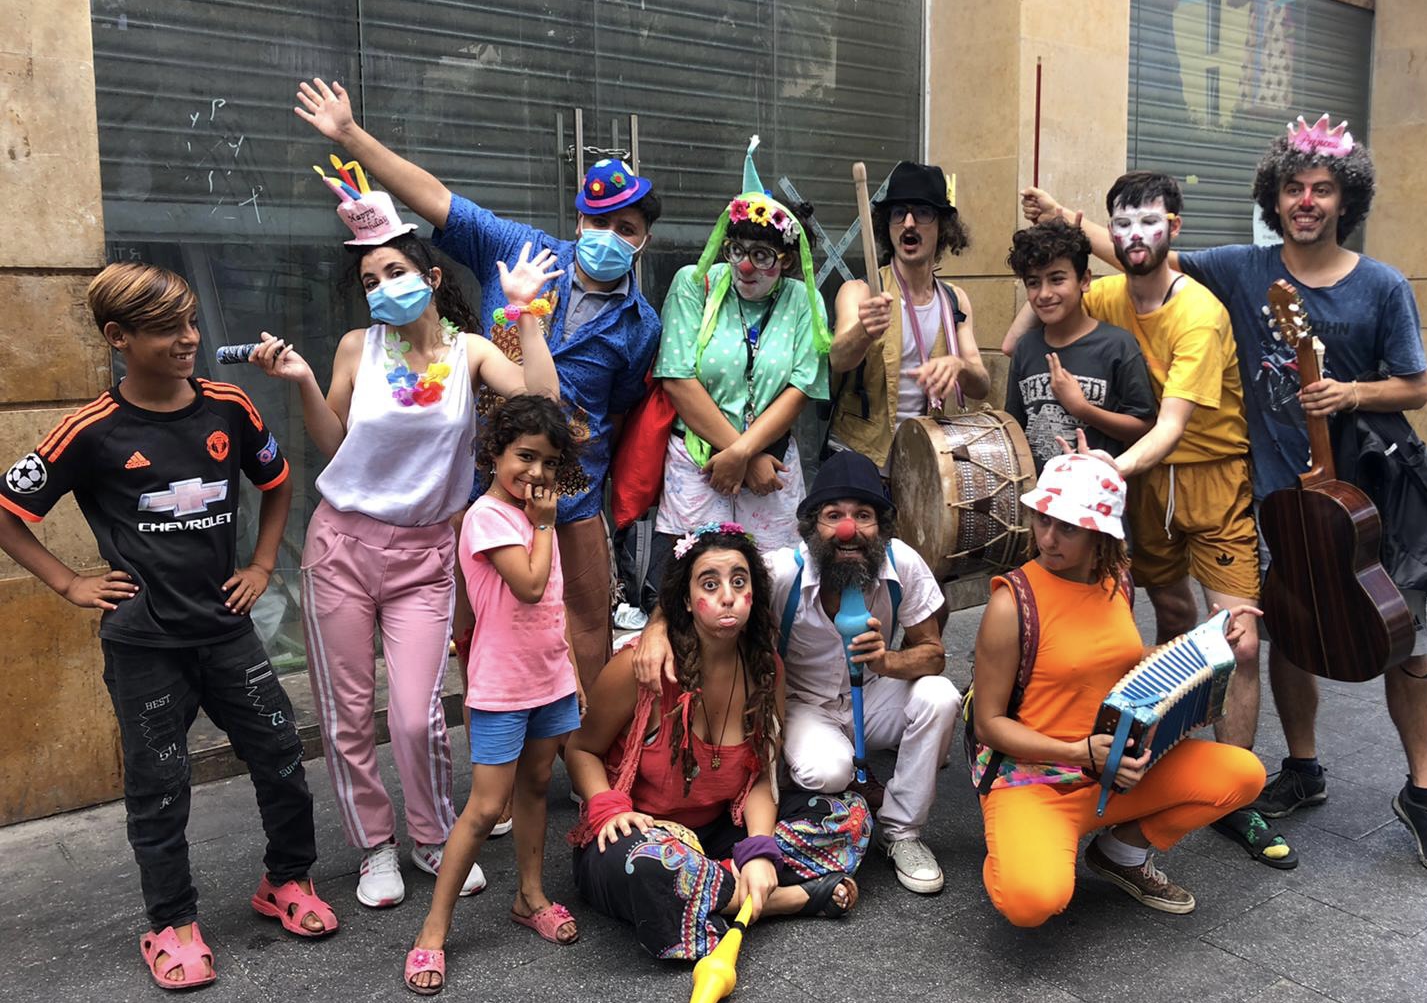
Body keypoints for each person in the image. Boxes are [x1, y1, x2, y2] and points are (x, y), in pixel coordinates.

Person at [1026, 116, 1427, 876]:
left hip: (1370, 490)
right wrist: (1064, 221)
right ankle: (1298, 765)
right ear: (1274, 198)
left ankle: (1425, 794)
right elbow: (1138, 249)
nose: (1306, 201)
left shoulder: (1382, 284)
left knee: (1405, 644)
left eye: (1321, 189)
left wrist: (1350, 392)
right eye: (1293, 188)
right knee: (1287, 630)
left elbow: (1418, 386)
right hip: (1272, 495)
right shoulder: (1238, 268)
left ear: (1343, 198)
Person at [0, 262, 336, 990]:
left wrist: (262, 563)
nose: (188, 338)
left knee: (280, 751)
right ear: (119, 337)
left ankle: (288, 879)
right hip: (144, 644)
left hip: (226, 631)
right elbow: (8, 511)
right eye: (165, 329)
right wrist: (68, 581)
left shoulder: (228, 406)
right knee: (161, 786)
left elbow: (276, 484)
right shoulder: (88, 430)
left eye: (189, 322)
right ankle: (172, 923)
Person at [248, 182, 560, 908]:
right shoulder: (358, 346)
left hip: (424, 555)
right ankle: (374, 847)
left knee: (416, 711)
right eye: (368, 280)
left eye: (393, 272)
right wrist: (298, 383)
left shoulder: (471, 350)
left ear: (431, 275)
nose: (381, 288)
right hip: (343, 548)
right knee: (347, 710)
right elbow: (333, 446)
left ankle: (430, 833)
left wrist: (527, 316)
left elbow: (540, 407)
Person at [294, 77, 662, 691]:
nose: (610, 239)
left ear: (643, 240)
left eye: (626, 229)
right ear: (579, 220)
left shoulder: (641, 324)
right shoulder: (517, 248)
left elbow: (618, 414)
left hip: (571, 489)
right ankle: (495, 738)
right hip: (479, 484)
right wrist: (350, 136)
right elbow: (435, 199)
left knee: (585, 620)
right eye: (600, 223)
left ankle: (581, 757)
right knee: (475, 617)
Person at [1012, 171, 1275, 865]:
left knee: (1240, 639)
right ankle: (1163, 756)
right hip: (1145, 491)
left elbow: (1168, 424)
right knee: (1168, 618)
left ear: (1174, 228)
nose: (1134, 238)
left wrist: (1101, 470)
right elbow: (1049, 296)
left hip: (1208, 476)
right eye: (1121, 226)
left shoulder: (1201, 312)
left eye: (1149, 223)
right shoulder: (1102, 292)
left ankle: (1234, 787)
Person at [635, 451, 961, 895]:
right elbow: (690, 589)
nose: (848, 529)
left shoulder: (900, 563)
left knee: (939, 697)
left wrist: (888, 661)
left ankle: (902, 832)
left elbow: (933, 654)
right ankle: (821, 785)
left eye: (863, 515)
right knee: (829, 773)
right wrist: (656, 629)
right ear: (812, 526)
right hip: (805, 705)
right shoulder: (781, 571)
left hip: (875, 693)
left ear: (881, 526)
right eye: (834, 515)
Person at [971, 448, 1266, 927]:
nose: (1047, 538)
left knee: (1242, 775)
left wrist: (1212, 643)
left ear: (1100, 533)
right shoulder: (1013, 602)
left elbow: (1119, 661)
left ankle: (1121, 854)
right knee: (1031, 903)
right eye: (1043, 519)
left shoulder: (1116, 582)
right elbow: (989, 724)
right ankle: (1020, 847)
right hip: (1038, 779)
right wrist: (1079, 752)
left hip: (1119, 769)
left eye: (1067, 527)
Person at [567, 523, 871, 960]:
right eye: (710, 584)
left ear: (754, 594)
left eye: (739, 581)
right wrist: (606, 807)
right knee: (647, 867)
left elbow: (761, 779)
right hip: (638, 832)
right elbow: (581, 749)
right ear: (686, 601)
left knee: (850, 815)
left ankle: (718, 887)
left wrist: (761, 850)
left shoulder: (766, 672)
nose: (727, 595)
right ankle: (788, 899)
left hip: (719, 832)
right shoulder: (640, 667)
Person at [404, 394, 587, 995]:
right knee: (485, 808)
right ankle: (432, 932)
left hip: (550, 680)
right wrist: (542, 525)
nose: (536, 474)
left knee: (536, 786)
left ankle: (529, 897)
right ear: (494, 454)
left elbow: (552, 608)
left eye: (549, 463)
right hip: (503, 688)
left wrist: (574, 674)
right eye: (524, 457)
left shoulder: (535, 519)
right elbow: (530, 587)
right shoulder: (489, 517)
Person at [655, 136, 832, 552]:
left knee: (775, 584)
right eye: (736, 250)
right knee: (694, 582)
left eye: (763, 255)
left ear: (787, 258)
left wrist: (748, 455)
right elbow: (677, 379)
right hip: (700, 462)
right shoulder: (694, 284)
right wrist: (740, 456)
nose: (746, 265)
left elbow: (802, 387)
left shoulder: (804, 300)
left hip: (771, 468)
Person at [828, 161, 990, 474]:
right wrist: (864, 331)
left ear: (943, 225)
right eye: (899, 213)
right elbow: (838, 359)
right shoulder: (860, 291)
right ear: (887, 226)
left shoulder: (954, 301)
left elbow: (981, 386)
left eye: (923, 212)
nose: (909, 223)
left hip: (923, 464)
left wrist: (959, 366)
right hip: (858, 461)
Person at [1003, 219, 1158, 469]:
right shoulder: (1026, 348)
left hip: (1093, 497)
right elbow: (1014, 428)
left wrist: (1082, 408)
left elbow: (1145, 427)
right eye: (1033, 282)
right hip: (1037, 498)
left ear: (1084, 280)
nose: (1044, 293)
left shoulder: (1117, 345)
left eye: (1057, 279)